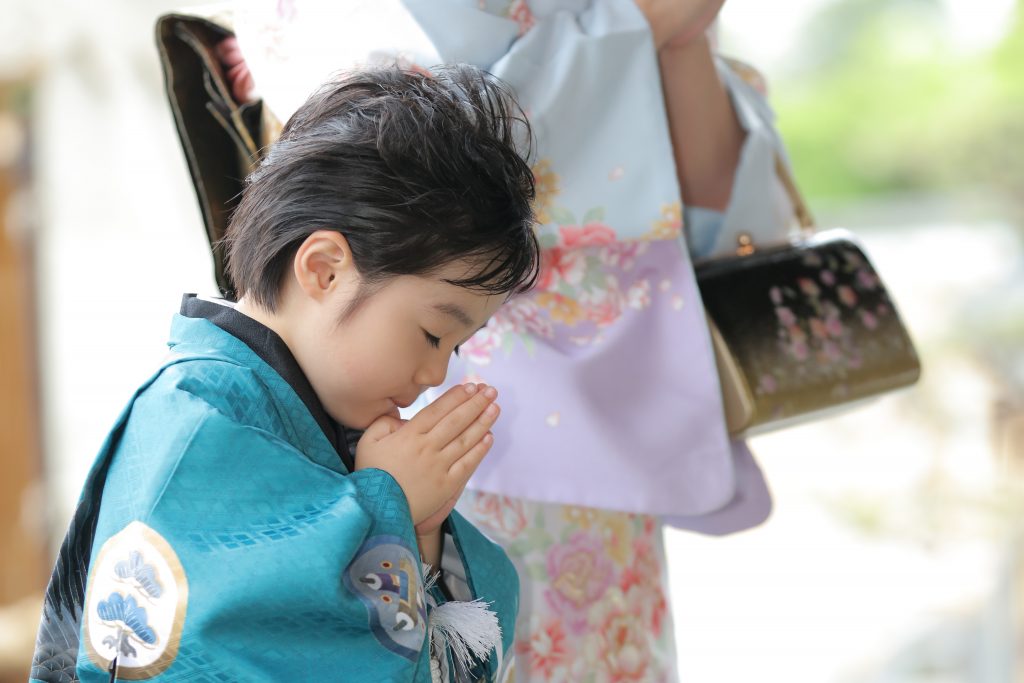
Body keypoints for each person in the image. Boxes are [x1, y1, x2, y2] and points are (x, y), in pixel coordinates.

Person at [229, 1, 798, 679]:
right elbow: (386, 145)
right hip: (414, 418)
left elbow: (730, 225)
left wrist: (677, 40)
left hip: (609, 432)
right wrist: (626, 30)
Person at [30, 64, 539, 683]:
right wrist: (386, 505)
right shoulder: (194, 419)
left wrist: (421, 529)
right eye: (432, 333)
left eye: (456, 349)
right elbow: (222, 639)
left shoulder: (334, 425)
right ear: (324, 269)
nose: (433, 374)